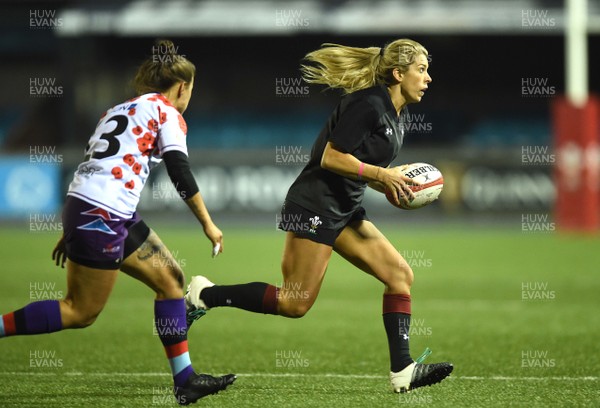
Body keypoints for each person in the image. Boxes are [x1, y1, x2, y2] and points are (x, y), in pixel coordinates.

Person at [185, 39, 453, 393]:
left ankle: (402, 369)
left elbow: (359, 168)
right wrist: (383, 175)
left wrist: (389, 184)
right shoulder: (369, 104)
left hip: (344, 207)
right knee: (294, 303)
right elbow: (331, 158)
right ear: (398, 73)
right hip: (315, 205)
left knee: (400, 275)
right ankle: (204, 295)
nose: (428, 77)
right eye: (422, 70)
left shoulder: (396, 115)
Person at [0, 40, 235, 405]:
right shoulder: (168, 113)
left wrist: (73, 224)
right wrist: (208, 223)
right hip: (103, 213)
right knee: (80, 310)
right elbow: (179, 170)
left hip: (99, 209)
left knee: (171, 280)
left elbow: (94, 161)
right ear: (183, 86)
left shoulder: (118, 109)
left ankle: (185, 381)